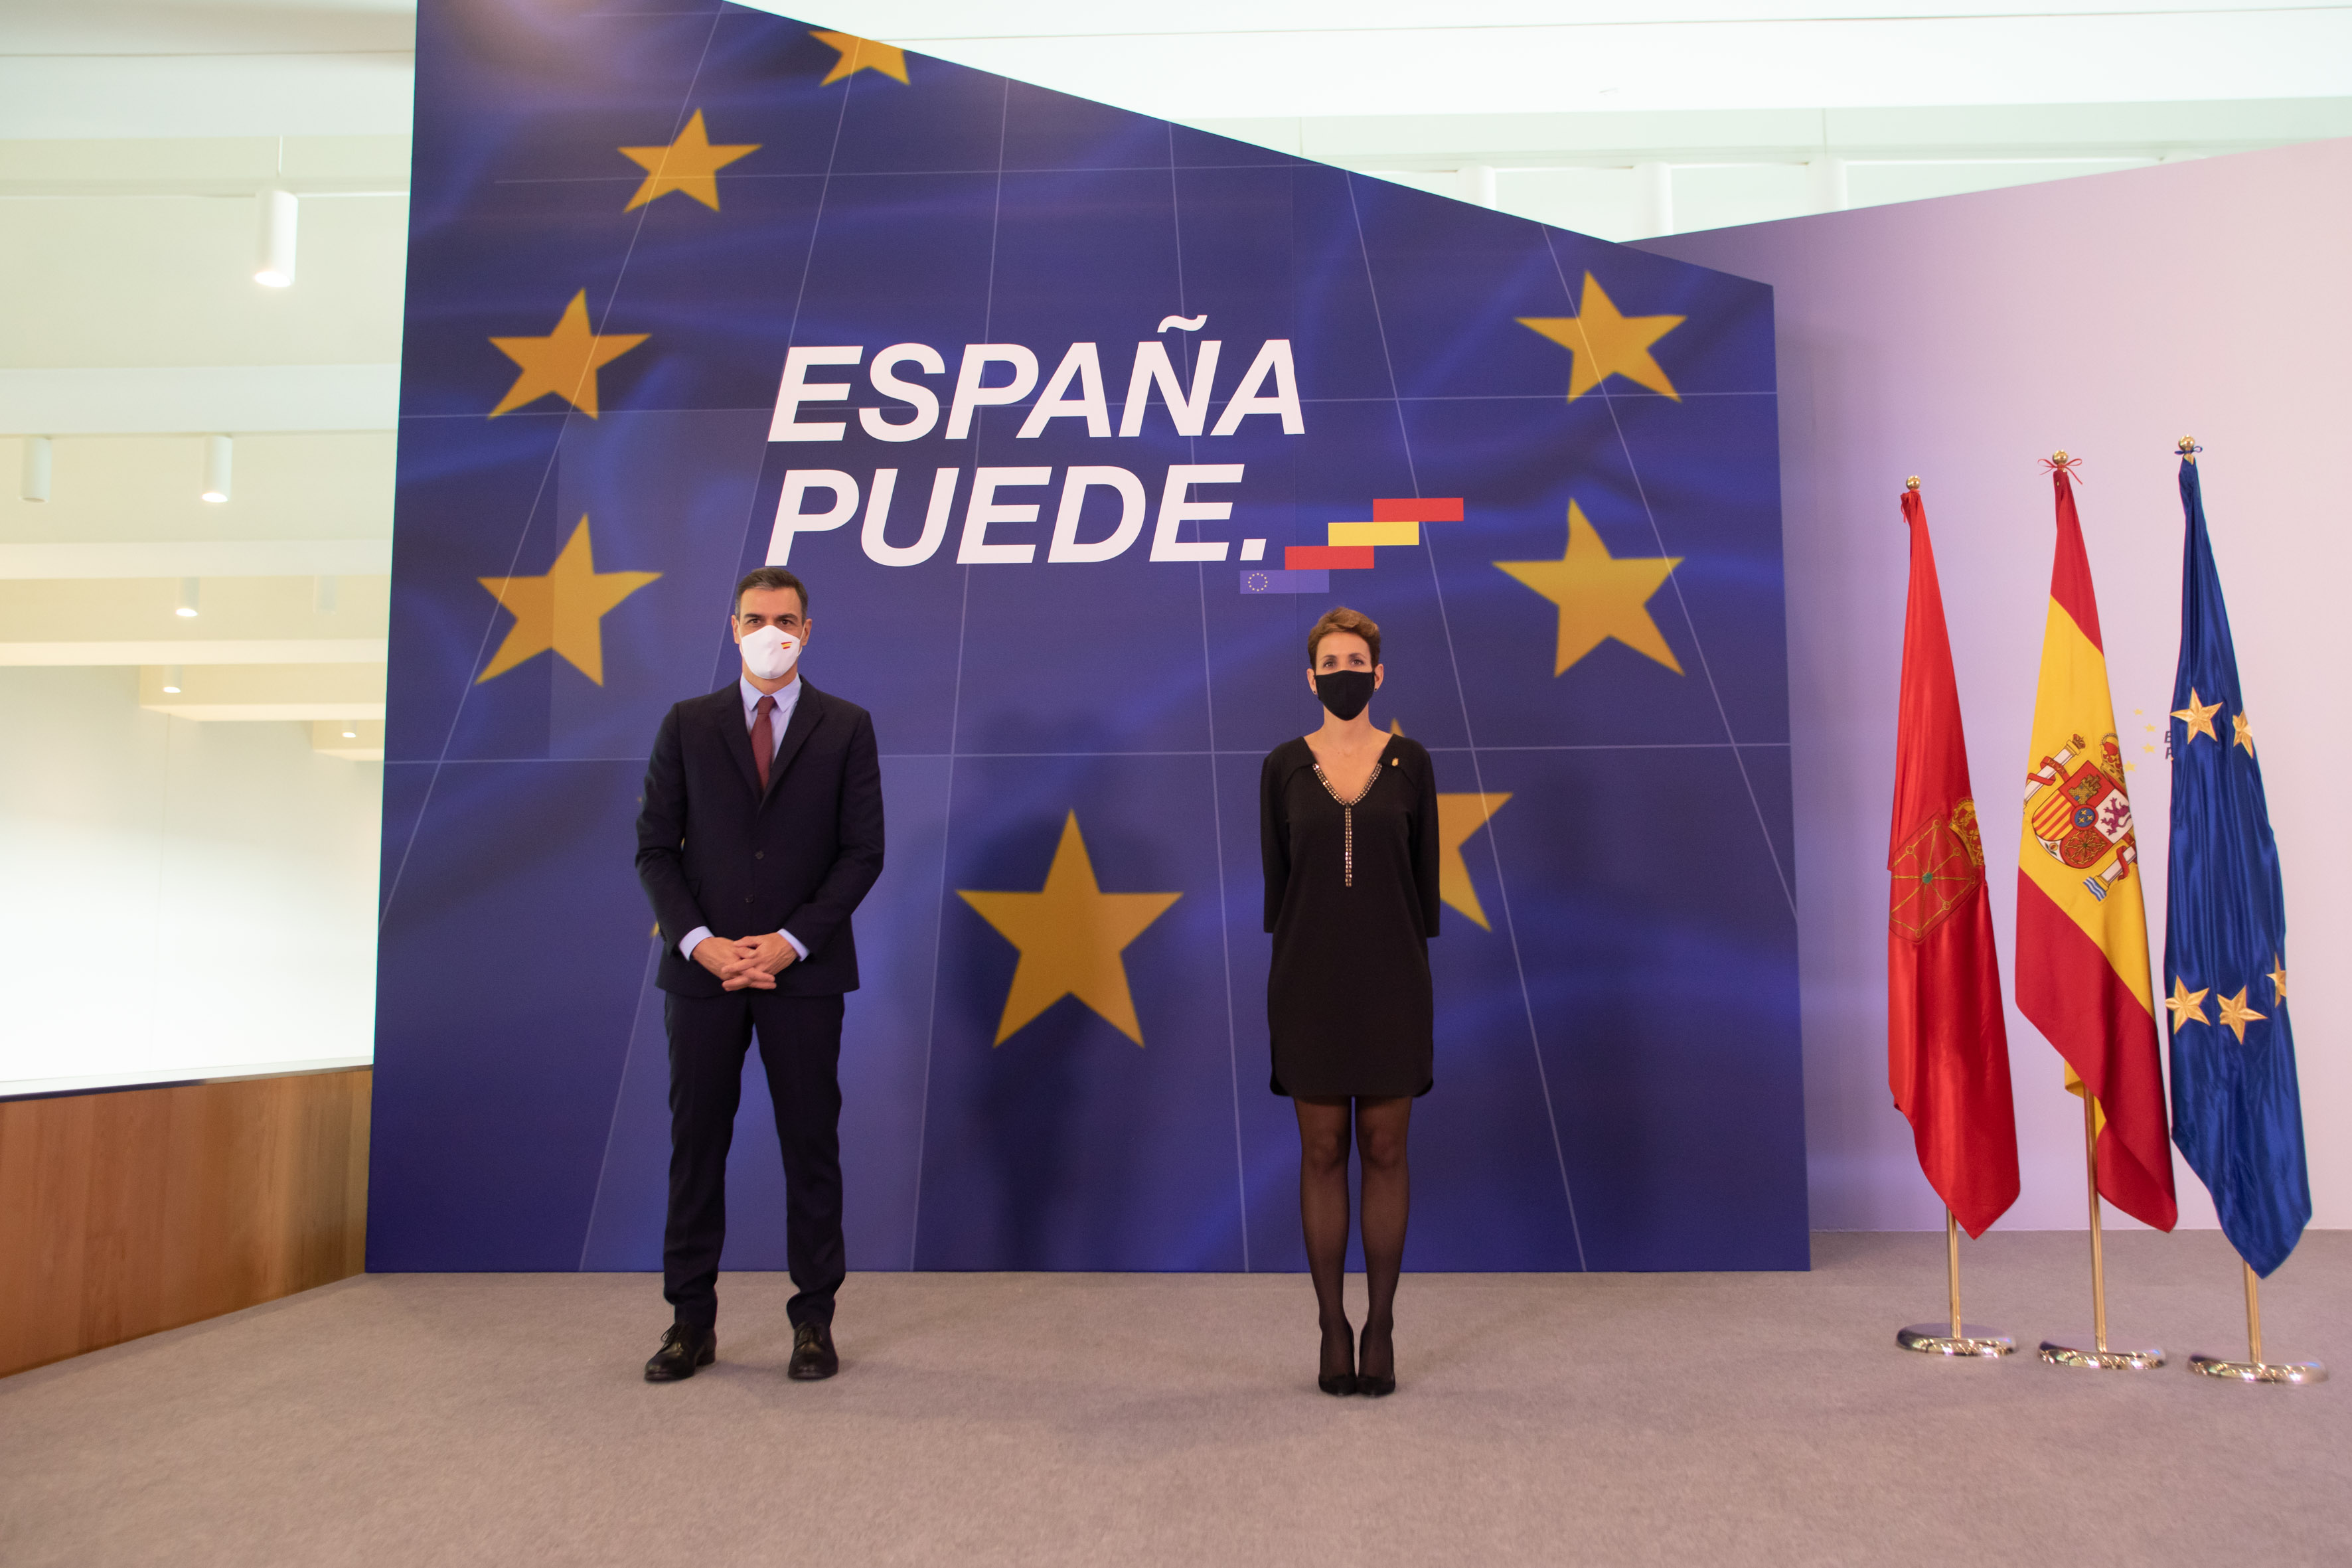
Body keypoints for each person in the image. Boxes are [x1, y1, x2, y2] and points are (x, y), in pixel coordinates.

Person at [633, 566, 884, 1383]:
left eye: (784, 619)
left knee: (810, 1147)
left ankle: (813, 1322)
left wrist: (791, 941)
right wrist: (700, 942)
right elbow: (654, 849)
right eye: (754, 618)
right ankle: (689, 1323)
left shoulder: (847, 726)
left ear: (807, 631)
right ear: (733, 627)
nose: (769, 632)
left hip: (802, 976)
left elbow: (862, 853)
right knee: (696, 1147)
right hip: (703, 976)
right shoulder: (686, 723)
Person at [1258, 606, 1440, 1397]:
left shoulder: (1413, 762)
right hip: (1308, 982)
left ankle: (1383, 1323)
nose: (1343, 673)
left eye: (1355, 661)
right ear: (1311, 678)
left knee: (1387, 1148)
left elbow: (1424, 892)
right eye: (1329, 662)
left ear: (1379, 673)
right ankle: (1332, 1325)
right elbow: (1279, 891)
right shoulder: (1281, 767)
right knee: (1324, 1150)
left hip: (1394, 981)